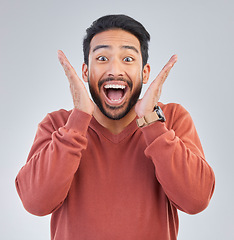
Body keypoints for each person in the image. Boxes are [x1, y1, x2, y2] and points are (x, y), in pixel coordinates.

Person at [15, 14, 215, 240]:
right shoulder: (57, 125)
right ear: (85, 72)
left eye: (128, 59)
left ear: (145, 72)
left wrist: (151, 122)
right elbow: (35, 203)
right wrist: (79, 120)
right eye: (101, 58)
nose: (114, 70)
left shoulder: (172, 119)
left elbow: (196, 200)